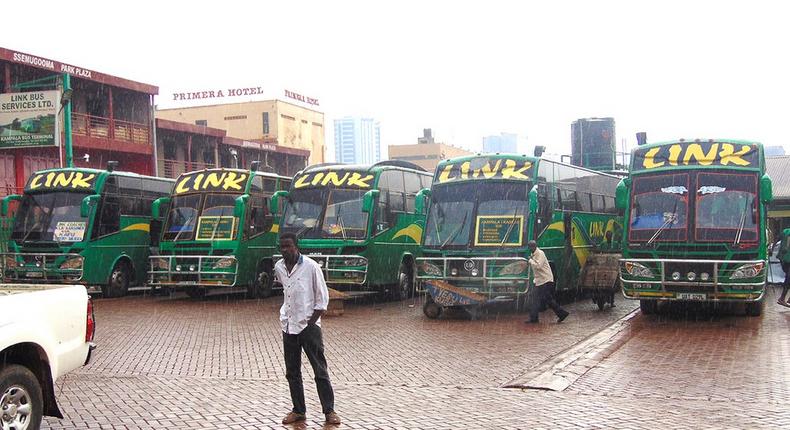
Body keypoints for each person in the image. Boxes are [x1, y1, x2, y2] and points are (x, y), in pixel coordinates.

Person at [275, 232, 341, 425]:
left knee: (319, 370)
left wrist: (310, 323)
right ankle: (298, 410)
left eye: (289, 246)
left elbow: (322, 300)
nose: (285, 250)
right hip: (288, 326)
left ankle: (329, 411)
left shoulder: (311, 267)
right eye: (282, 247)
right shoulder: (279, 267)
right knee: (292, 372)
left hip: (309, 327)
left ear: (297, 246)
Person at [525, 240, 569, 324]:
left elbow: (539, 266)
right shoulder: (533, 254)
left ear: (534, 246)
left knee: (547, 299)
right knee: (536, 299)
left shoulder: (540, 253)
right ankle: (534, 318)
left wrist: (530, 261)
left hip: (545, 280)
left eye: (531, 247)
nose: (530, 248)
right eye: (530, 247)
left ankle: (562, 314)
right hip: (539, 281)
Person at [777, 228, 790, 306]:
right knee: (788, 279)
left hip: (783, 258)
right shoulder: (787, 232)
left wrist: (771, 248)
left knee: (788, 278)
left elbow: (777, 239)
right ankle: (782, 298)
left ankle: (784, 298)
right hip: (787, 258)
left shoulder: (785, 231)